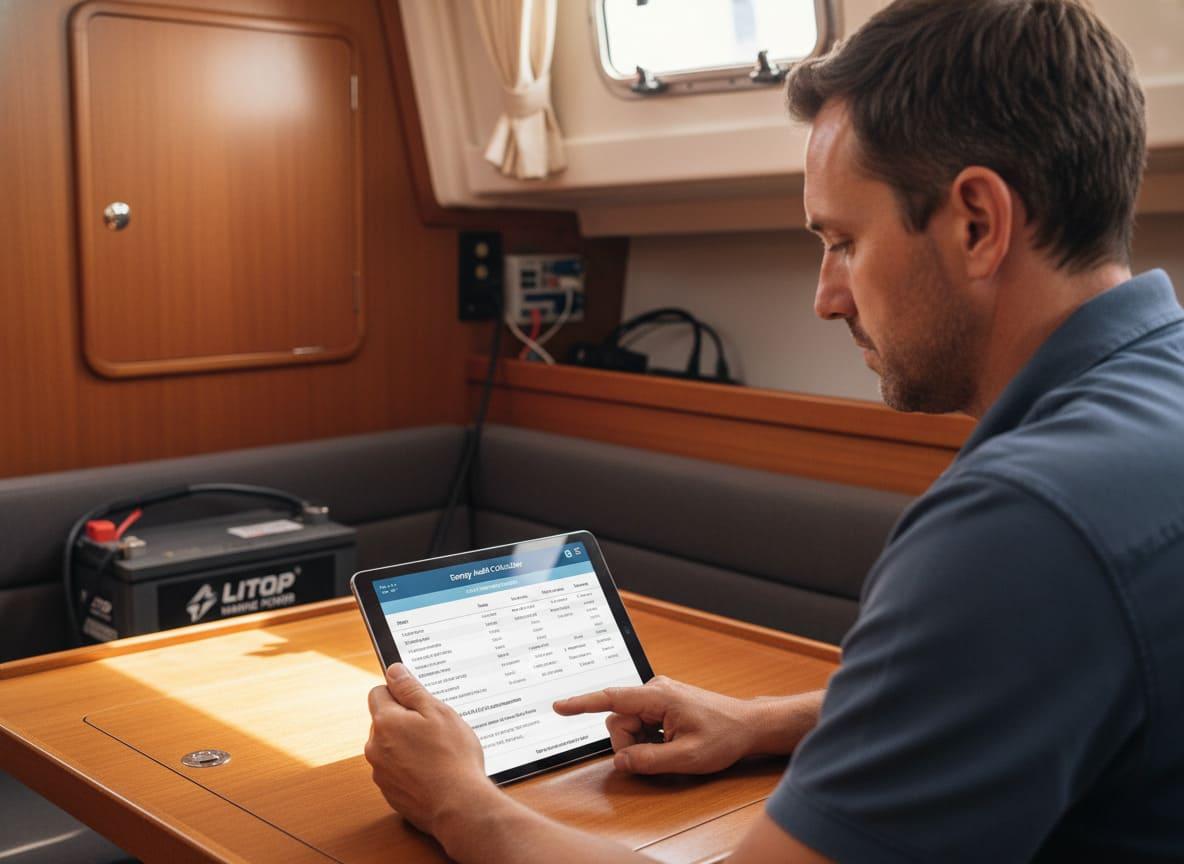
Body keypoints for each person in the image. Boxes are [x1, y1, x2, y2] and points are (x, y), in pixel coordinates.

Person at [365, 0, 1184, 860]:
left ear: (977, 222)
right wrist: (762, 721)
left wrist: (461, 802)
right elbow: (1025, 678)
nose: (827, 297)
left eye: (843, 242)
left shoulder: (1026, 525)